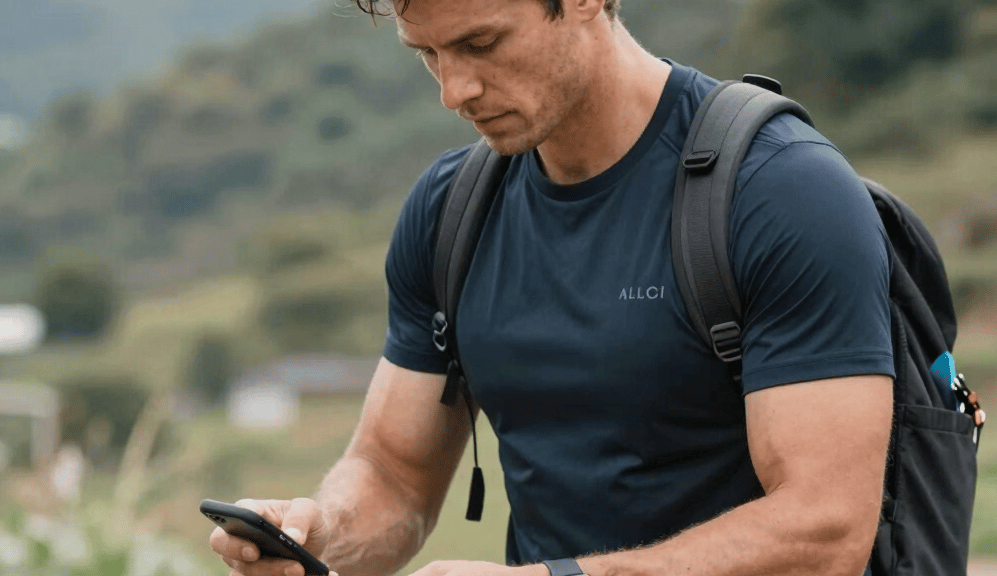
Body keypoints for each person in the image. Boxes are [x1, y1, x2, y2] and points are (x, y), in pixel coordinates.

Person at [210, 0, 897, 575]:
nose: (454, 91)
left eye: (481, 43)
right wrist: (316, 535)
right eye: (428, 55)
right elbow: (395, 477)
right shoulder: (452, 211)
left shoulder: (783, 192)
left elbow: (826, 529)